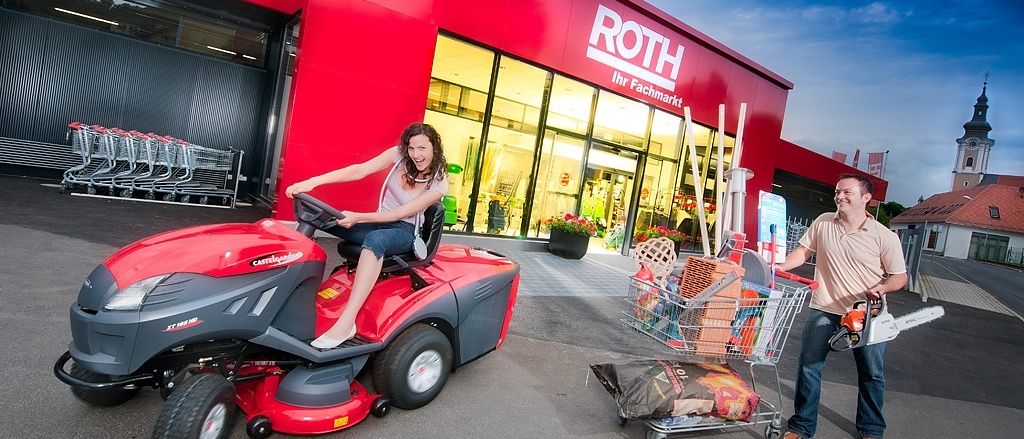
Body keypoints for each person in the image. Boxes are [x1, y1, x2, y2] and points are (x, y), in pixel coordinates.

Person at [285, 123, 448, 349]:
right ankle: (289, 291)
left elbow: (400, 213)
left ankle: (347, 323)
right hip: (378, 222)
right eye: (411, 148)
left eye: (422, 148)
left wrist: (358, 217)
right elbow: (359, 170)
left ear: (434, 147)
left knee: (375, 241)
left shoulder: (439, 183)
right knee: (321, 217)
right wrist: (312, 182)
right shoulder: (399, 156)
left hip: (404, 231)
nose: (416, 154)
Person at [775, 173, 907, 439]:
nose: (840, 196)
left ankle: (871, 429)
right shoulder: (824, 221)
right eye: (837, 191)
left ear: (866, 198)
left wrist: (883, 288)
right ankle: (801, 428)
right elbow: (804, 251)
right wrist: (779, 267)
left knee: (872, 374)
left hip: (867, 314)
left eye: (847, 192)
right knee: (809, 367)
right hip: (825, 308)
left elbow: (900, 277)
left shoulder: (884, 236)